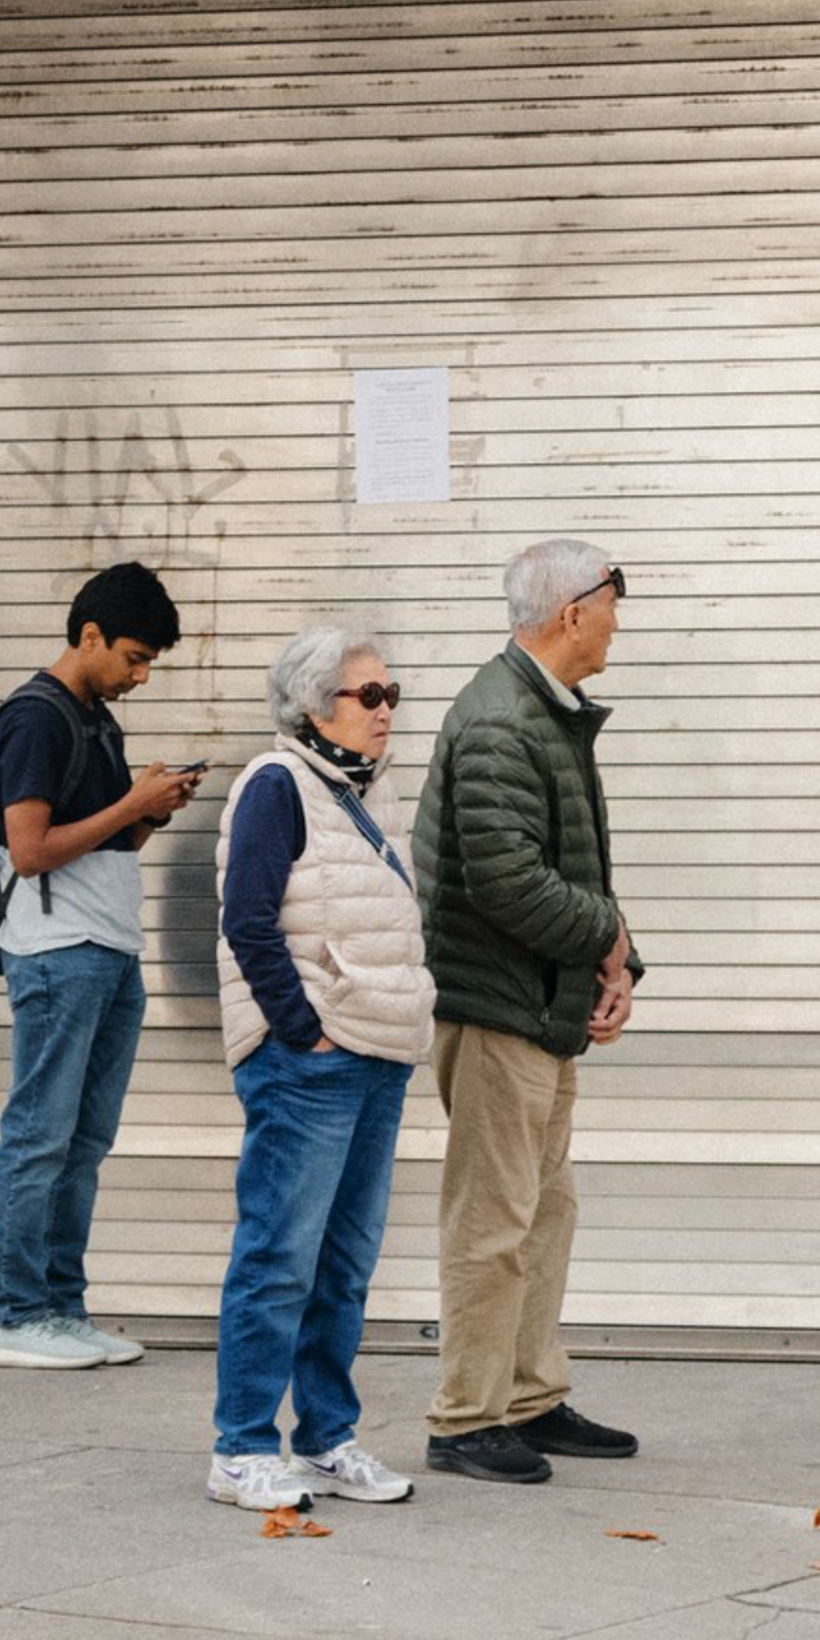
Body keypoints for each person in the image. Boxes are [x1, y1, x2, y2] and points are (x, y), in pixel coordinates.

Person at [413, 541, 644, 1484]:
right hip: (496, 1007)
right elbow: (510, 882)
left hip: (539, 1005)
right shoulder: (503, 719)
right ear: (573, 611)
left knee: (545, 1212)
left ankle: (529, 1396)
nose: (621, 619)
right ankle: (466, 1417)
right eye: (616, 601)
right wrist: (609, 941)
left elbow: (564, 869)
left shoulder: (543, 711)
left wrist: (613, 960)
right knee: (493, 1219)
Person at [205, 628, 434, 1514]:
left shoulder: (372, 794)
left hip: (377, 1054)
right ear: (312, 707)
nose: (384, 712)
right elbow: (247, 922)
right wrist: (303, 1031)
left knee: (344, 1263)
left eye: (390, 693)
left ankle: (329, 1436)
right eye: (365, 696)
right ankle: (241, 1446)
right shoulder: (276, 786)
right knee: (278, 1256)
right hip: (313, 1064)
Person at [0, 562, 205, 1371]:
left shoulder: (95, 718)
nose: (139, 676)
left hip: (108, 948)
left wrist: (150, 812)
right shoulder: (37, 718)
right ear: (90, 636)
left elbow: (104, 839)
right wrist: (132, 804)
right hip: (55, 953)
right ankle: (12, 1312)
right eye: (134, 657)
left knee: (85, 1139)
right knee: (39, 1135)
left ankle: (61, 1308)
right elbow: (31, 850)